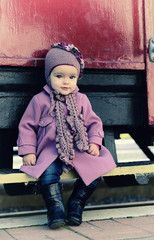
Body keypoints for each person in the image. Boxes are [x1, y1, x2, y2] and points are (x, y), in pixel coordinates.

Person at [17, 42, 116, 229]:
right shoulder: (39, 101)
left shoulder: (82, 100)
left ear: (78, 77)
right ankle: (55, 210)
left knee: (95, 172)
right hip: (50, 151)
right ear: (49, 76)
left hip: (78, 149)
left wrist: (94, 142)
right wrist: (27, 151)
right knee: (48, 175)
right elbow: (27, 127)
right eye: (59, 76)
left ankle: (76, 205)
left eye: (72, 77)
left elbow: (94, 123)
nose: (66, 81)